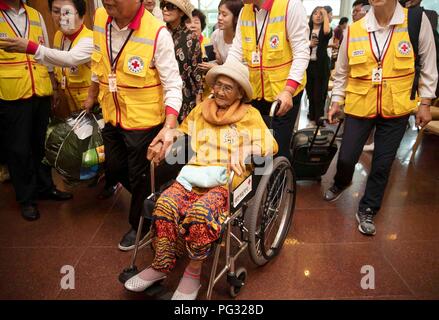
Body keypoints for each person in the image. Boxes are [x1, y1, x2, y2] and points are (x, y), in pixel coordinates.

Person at [124, 61, 278, 300]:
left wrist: (248, 147)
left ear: (240, 93)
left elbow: (271, 145)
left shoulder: (250, 116)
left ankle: (193, 273)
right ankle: (161, 264)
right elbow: (184, 133)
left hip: (226, 181)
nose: (219, 91)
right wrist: (168, 137)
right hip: (193, 174)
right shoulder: (201, 109)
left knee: (200, 215)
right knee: (164, 205)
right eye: (217, 85)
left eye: (228, 88)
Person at [324, 0, 437, 236]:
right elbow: (342, 70)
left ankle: (368, 209)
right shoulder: (355, 29)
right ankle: (342, 181)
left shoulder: (415, 21)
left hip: (395, 107)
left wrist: (425, 103)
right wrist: (336, 101)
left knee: (382, 164)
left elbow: (428, 64)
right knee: (346, 157)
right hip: (359, 103)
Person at [84, 0, 183, 251]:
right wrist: (92, 93)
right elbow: (99, 63)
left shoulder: (157, 32)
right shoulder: (99, 18)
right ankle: (155, 198)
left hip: (144, 121)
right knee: (115, 168)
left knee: (139, 178)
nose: (109, 1)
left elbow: (173, 83)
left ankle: (139, 225)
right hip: (112, 115)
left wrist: (169, 125)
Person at [0, 0, 72, 221]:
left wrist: (53, 83)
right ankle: (26, 198)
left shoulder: (34, 14)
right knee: (19, 149)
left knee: (42, 144)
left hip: (39, 88)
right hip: (11, 92)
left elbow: (45, 50)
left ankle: (46, 187)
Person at [226, 0, 310, 160]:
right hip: (256, 93)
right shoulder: (245, 11)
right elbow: (237, 51)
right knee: (256, 147)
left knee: (277, 149)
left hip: (284, 96)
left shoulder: (290, 6)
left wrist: (288, 90)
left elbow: (301, 52)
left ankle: (282, 182)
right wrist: (223, 78)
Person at [160, 0, 203, 122]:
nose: (164, 10)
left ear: (181, 12)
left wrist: (199, 99)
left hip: (186, 94)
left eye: (169, 7)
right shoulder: (159, 34)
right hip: (160, 93)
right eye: (163, 6)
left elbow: (197, 72)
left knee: (184, 138)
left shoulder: (191, 37)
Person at [306, 6, 332, 126]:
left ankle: (319, 120)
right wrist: (309, 44)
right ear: (311, 16)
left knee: (319, 95)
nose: (318, 16)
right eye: (315, 13)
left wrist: (325, 14)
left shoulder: (325, 30)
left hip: (321, 67)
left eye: (320, 14)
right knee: (310, 94)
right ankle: (311, 118)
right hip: (308, 66)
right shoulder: (306, 29)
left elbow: (326, 31)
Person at [199, 0, 243, 70]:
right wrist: (217, 62)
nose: (219, 18)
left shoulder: (242, 38)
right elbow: (213, 61)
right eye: (219, 13)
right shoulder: (216, 35)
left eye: (224, 15)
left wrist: (217, 67)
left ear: (236, 18)